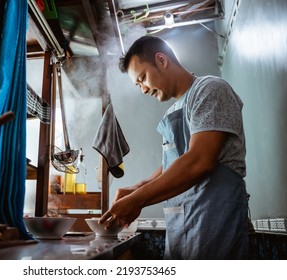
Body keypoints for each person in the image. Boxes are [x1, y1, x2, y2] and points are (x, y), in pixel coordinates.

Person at [99, 35, 249, 260]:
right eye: (138, 85)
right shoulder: (173, 112)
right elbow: (176, 162)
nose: (144, 90)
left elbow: (199, 160)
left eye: (143, 78)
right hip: (182, 230)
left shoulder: (210, 90)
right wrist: (138, 187)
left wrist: (138, 199)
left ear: (161, 60)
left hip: (216, 223)